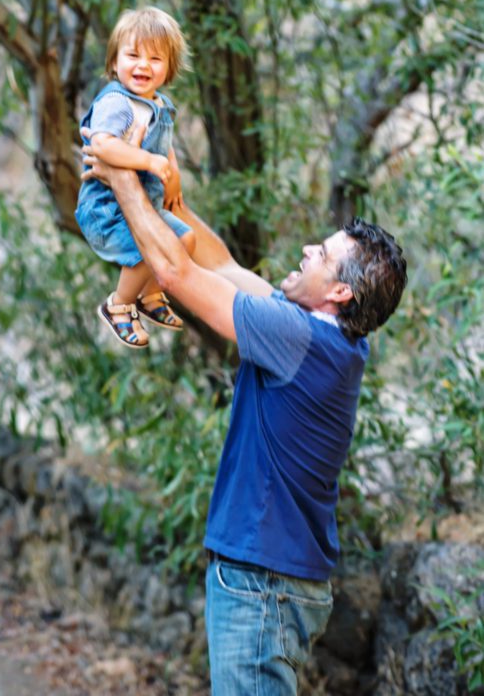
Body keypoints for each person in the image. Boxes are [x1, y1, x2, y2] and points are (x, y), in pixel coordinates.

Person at [81, 138, 407, 695]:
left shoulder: (297, 337)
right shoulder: (329, 339)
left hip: (263, 583)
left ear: (340, 292)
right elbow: (220, 263)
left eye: (322, 255)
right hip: (272, 578)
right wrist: (172, 202)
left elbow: (175, 274)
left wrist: (122, 180)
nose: (307, 250)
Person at [75, 6, 196, 349]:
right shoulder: (117, 102)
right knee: (147, 253)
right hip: (107, 210)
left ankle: (149, 295)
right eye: (132, 55)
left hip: (144, 209)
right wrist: (147, 160)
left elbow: (165, 145)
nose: (143, 65)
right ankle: (118, 305)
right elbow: (103, 145)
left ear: (169, 69)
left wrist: (173, 177)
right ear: (114, 62)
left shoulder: (159, 104)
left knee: (184, 242)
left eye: (155, 59)